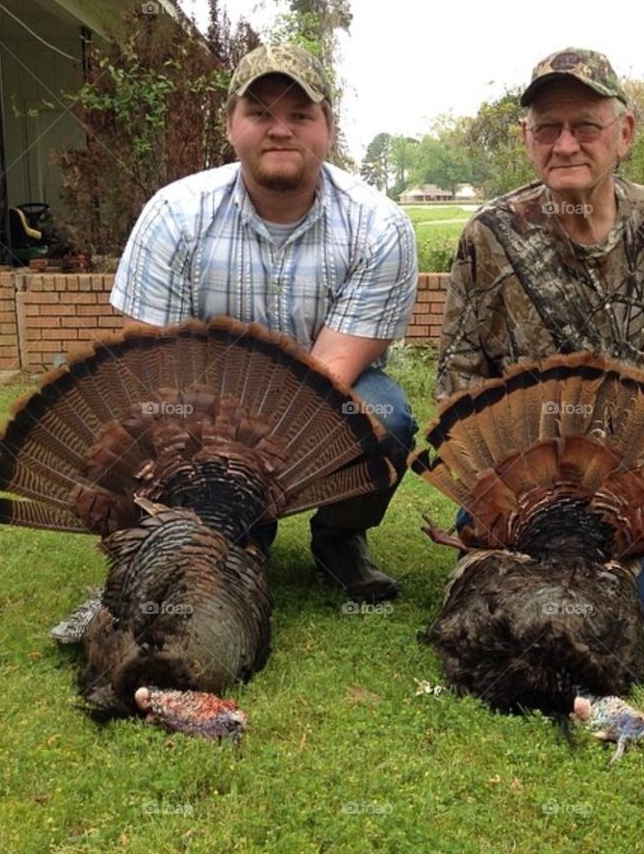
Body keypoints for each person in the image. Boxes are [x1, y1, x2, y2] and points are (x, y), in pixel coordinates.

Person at [110, 43, 418, 602]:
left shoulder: (378, 226)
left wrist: (249, 474)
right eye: (260, 114)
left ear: (328, 127)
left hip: (321, 398)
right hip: (201, 404)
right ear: (230, 125)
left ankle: (339, 536)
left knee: (384, 416)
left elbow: (327, 376)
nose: (281, 130)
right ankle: (234, 534)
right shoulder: (175, 215)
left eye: (301, 115)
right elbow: (154, 369)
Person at [436, 47, 644, 621]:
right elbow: (458, 387)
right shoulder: (490, 238)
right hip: (517, 496)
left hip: (624, 501)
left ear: (625, 133)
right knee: (492, 607)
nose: (565, 144)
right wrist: (500, 500)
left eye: (585, 127)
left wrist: (639, 506)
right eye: (548, 128)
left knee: (619, 609)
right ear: (527, 138)